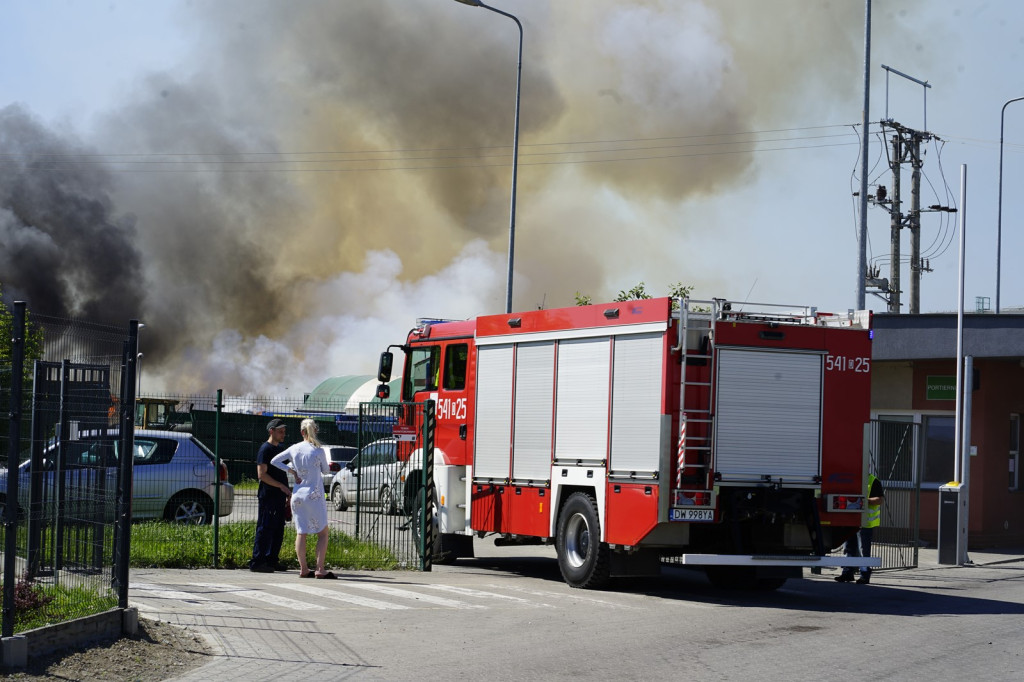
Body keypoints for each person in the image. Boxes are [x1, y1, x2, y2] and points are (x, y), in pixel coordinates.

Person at [271, 418, 336, 579]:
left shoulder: (294, 448)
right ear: (315, 431)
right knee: (322, 532)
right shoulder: (318, 450)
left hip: (298, 495)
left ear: (302, 432)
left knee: (302, 532)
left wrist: (291, 471)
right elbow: (327, 471)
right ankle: (320, 568)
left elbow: (274, 461)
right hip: (314, 495)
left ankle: (304, 569)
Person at [250, 418, 291, 573]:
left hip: (280, 496)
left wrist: (287, 489)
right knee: (265, 528)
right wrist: (280, 486)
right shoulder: (265, 449)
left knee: (278, 529)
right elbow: (262, 475)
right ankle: (257, 561)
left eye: (284, 431)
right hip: (268, 496)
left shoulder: (280, 449)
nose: (283, 434)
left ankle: (271, 560)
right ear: (271, 431)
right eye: (280, 431)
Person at [836, 471, 885, 585]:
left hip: (865, 523)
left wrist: (865, 501)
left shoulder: (873, 481)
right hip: (851, 520)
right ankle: (847, 573)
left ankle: (864, 575)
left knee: (863, 550)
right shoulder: (851, 478)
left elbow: (880, 500)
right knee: (849, 547)